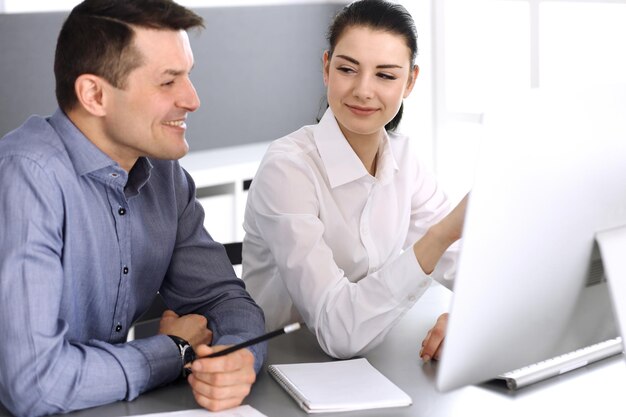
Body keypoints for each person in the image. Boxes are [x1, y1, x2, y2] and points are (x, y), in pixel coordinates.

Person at [0, 1, 266, 416]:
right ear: (94, 94)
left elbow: (220, 296)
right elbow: (35, 384)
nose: (192, 99)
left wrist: (237, 355)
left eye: (188, 76)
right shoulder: (25, 179)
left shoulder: (163, 172)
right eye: (168, 82)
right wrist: (173, 351)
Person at [242, 0, 467, 362]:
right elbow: (337, 330)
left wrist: (466, 318)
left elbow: (469, 267)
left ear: (410, 81)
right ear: (326, 67)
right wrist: (442, 234)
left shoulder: (405, 160)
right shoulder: (288, 170)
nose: (364, 90)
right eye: (348, 69)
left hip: (372, 363)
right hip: (279, 367)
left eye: (386, 75)